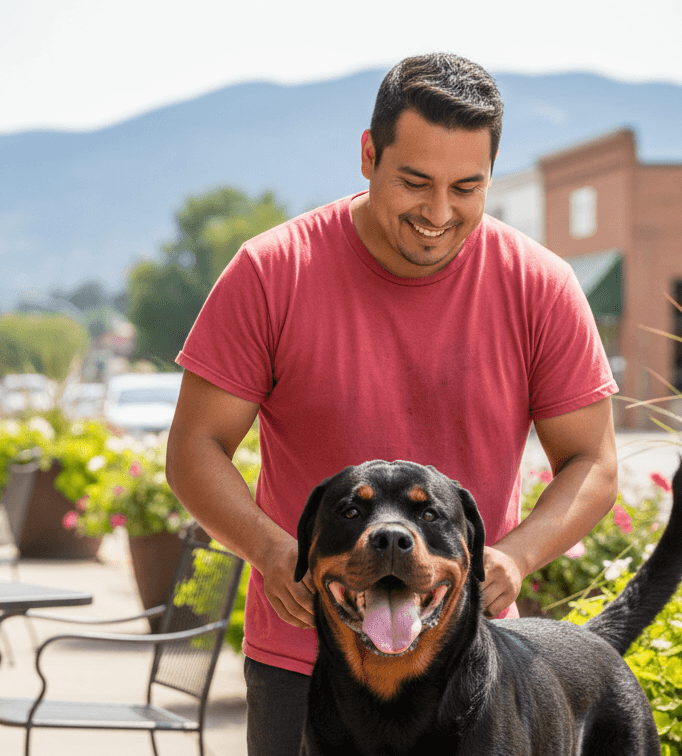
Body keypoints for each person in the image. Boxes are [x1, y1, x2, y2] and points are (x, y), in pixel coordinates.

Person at [166, 52, 619, 756]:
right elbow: (195, 448)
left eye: (467, 188)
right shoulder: (271, 272)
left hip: (474, 672)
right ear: (368, 155)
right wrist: (268, 549)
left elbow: (592, 460)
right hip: (305, 663)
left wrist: (518, 557)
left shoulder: (542, 286)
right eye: (415, 182)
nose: (439, 214)